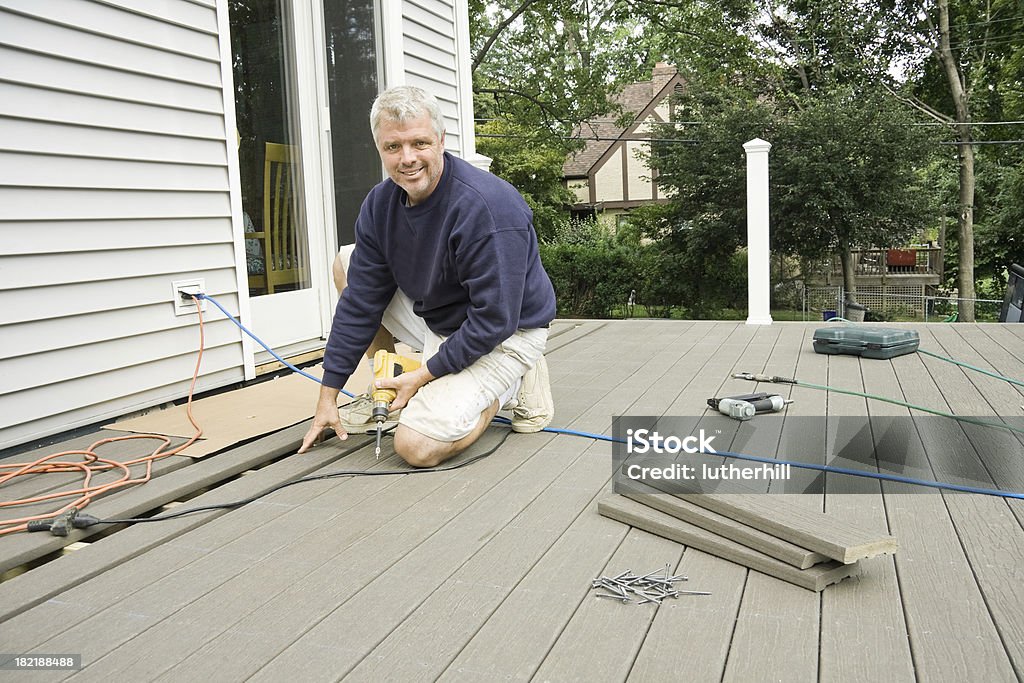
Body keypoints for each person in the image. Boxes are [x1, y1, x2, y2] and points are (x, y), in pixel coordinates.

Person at [297, 85, 557, 467]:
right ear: (380, 149)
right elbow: (360, 303)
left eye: (419, 143)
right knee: (347, 264)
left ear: (441, 141)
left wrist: (422, 376)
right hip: (441, 315)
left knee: (416, 446)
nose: (407, 159)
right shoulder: (380, 205)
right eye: (393, 147)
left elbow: (494, 318)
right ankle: (387, 390)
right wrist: (327, 396)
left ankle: (510, 386)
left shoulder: (487, 208)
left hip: (508, 331)